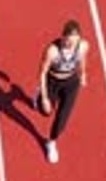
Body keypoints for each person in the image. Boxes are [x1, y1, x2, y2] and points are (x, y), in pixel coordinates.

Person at [35, 19, 89, 163]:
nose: (70, 45)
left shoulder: (83, 46)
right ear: (62, 36)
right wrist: (45, 97)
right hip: (52, 81)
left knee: (62, 119)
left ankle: (51, 142)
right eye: (68, 41)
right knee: (45, 111)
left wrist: (83, 73)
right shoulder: (52, 51)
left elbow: (82, 59)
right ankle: (39, 96)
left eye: (74, 42)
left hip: (71, 83)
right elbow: (42, 72)